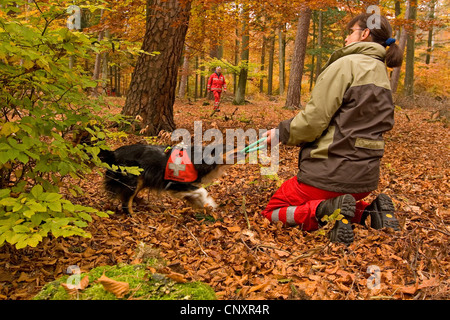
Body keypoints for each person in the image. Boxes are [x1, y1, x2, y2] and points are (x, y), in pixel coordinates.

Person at [262, 13, 403, 246]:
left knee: (274, 210)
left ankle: (322, 211)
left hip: (328, 176)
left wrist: (281, 133)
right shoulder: (380, 73)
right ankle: (370, 212)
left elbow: (313, 121)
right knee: (342, 200)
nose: (346, 38)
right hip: (364, 181)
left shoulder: (345, 65)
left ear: (365, 34)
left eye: (350, 31)